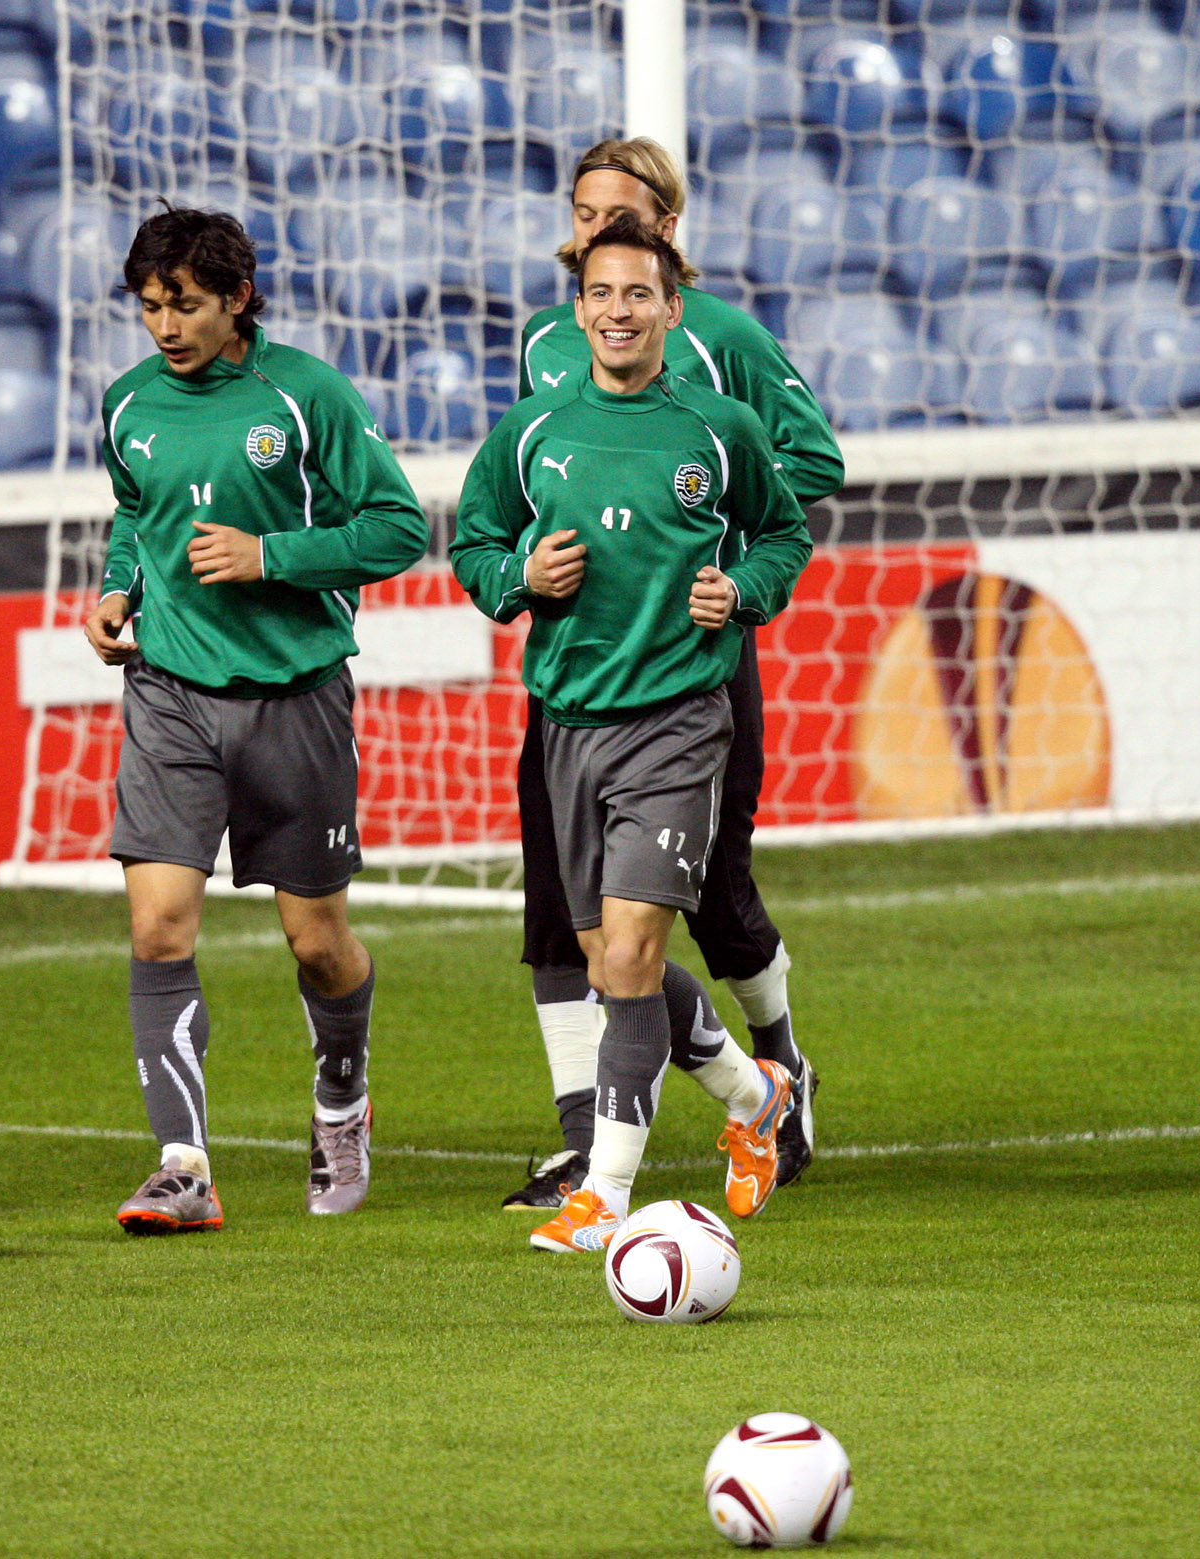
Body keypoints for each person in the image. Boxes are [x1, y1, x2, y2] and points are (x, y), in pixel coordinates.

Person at [452, 214, 814, 1253]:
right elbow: (473, 543)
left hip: (679, 719)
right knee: (614, 964)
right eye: (601, 294)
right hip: (568, 721)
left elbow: (786, 530)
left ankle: (603, 1194)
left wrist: (743, 589)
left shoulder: (718, 431)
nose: (618, 311)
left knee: (637, 946)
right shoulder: (531, 431)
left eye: (637, 295)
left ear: (670, 308)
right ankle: (757, 1099)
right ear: (580, 311)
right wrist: (521, 578)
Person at [84, 206, 427, 1234]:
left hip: (296, 698)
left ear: (238, 298)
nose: (165, 327)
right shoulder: (129, 404)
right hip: (171, 691)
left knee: (317, 942)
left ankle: (340, 1102)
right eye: (149, 308)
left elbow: (398, 526)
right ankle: (183, 1166)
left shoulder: (305, 393)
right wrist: (117, 596)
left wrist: (270, 555)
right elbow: (137, 517)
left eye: (184, 305)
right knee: (158, 925)